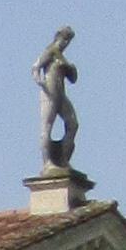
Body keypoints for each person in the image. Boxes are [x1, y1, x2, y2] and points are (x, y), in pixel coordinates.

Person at [35, 27, 80, 168]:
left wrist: (70, 68)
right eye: (64, 39)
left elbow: (73, 79)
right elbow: (36, 67)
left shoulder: (61, 57)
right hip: (49, 91)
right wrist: (40, 81)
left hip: (60, 93)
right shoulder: (51, 51)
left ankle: (63, 158)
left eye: (68, 41)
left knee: (73, 123)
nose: (65, 43)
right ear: (58, 38)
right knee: (47, 126)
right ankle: (47, 162)